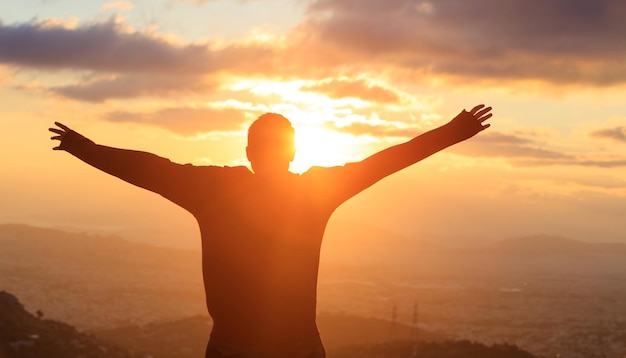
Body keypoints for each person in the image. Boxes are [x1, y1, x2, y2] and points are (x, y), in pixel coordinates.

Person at [49, 105, 493, 358]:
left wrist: (84, 148)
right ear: (294, 152)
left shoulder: (212, 189)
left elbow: (148, 169)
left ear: (247, 151)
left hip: (231, 348)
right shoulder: (314, 192)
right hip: (298, 347)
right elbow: (385, 161)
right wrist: (453, 131)